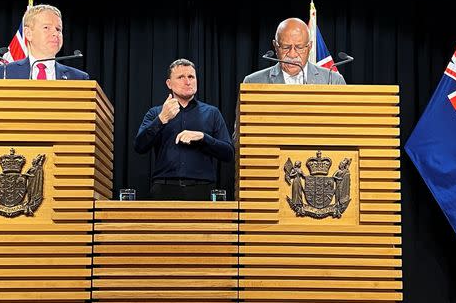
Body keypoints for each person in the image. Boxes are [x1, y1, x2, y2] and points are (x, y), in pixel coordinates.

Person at [134, 59, 234, 200]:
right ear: (169, 83)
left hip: (202, 190)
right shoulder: (155, 113)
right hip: (164, 190)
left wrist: (203, 137)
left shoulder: (212, 113)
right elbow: (139, 146)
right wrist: (162, 119)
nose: (188, 82)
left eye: (191, 77)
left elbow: (228, 153)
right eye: (181, 77)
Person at [0, 4, 88, 80]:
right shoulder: (4, 73)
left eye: (58, 29)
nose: (55, 33)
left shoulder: (79, 78)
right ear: (28, 33)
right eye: (46, 28)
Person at [242, 17, 345, 85]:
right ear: (275, 46)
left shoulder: (333, 80)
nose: (292, 54)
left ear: (309, 47)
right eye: (286, 47)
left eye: (299, 47)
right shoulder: (253, 82)